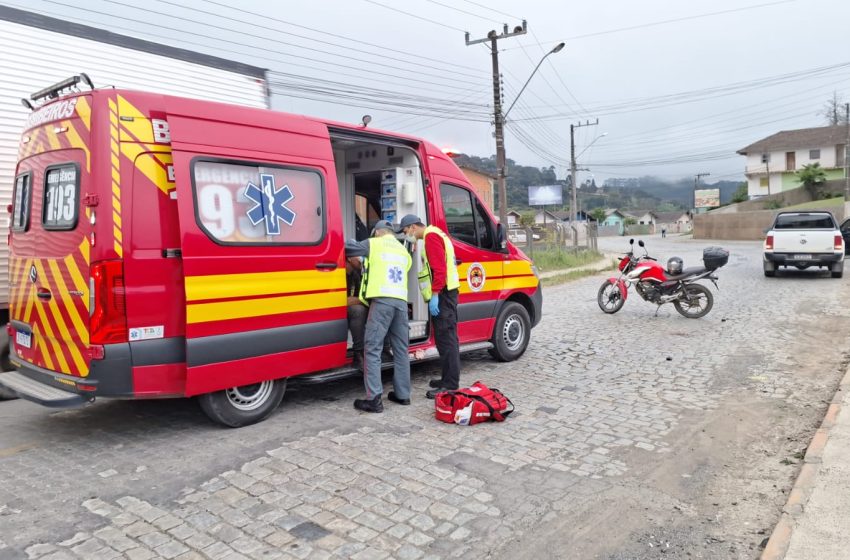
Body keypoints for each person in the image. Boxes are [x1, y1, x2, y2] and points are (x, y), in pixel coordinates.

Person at [347, 220, 412, 413]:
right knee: (401, 350)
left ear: (377, 232)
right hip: (401, 303)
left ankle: (374, 399)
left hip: (382, 302)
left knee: (372, 349)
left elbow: (349, 247)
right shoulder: (403, 251)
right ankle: (403, 395)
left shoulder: (373, 243)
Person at [397, 214, 461, 399]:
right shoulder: (434, 233)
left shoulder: (431, 237)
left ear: (413, 227)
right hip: (447, 292)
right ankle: (447, 379)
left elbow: (440, 270)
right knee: (444, 339)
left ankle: (450, 385)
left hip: (443, 294)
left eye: (406, 231)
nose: (406, 235)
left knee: (447, 339)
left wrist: (434, 295)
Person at [344, 246, 367, 372]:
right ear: (349, 258)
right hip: (335, 311)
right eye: (357, 255)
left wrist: (360, 300)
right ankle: (358, 354)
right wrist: (361, 300)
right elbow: (342, 301)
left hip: (349, 308)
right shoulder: (339, 274)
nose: (361, 259)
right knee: (358, 310)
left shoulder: (355, 273)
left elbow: (359, 296)